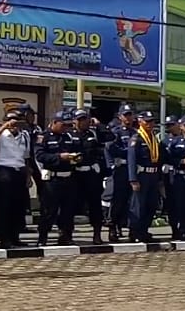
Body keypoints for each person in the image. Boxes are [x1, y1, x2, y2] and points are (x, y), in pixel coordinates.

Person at [32, 112, 80, 246]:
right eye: (63, 125)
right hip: (52, 179)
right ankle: (43, 237)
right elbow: (40, 155)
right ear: (54, 122)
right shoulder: (44, 137)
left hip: (68, 177)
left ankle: (65, 235)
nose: (66, 127)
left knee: (68, 210)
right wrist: (59, 157)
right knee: (48, 210)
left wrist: (75, 157)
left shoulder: (69, 137)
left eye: (68, 125)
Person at [0, 111, 31, 248]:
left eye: (16, 121)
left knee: (18, 207)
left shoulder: (24, 135)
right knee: (4, 207)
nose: (13, 123)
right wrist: (3, 127)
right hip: (4, 170)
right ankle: (4, 239)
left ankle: (15, 237)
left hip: (19, 171)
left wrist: (28, 177)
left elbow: (26, 158)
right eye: (10, 120)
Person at [72, 109, 111, 245]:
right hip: (75, 173)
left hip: (91, 173)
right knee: (70, 206)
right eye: (80, 119)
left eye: (86, 119)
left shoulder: (94, 133)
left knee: (95, 206)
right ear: (74, 121)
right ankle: (66, 234)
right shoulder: (69, 134)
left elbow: (110, 137)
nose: (84, 122)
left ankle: (97, 235)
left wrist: (99, 125)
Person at [127, 111, 163, 243]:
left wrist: (159, 178)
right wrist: (133, 179)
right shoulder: (136, 138)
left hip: (153, 175)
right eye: (147, 121)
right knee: (138, 206)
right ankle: (134, 232)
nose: (150, 124)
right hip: (141, 175)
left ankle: (144, 230)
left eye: (152, 121)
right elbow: (132, 159)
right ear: (140, 122)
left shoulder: (154, 138)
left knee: (151, 204)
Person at [106, 104, 137, 242]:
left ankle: (131, 228)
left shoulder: (136, 133)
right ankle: (112, 227)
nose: (128, 117)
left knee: (131, 201)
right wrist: (111, 166)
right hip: (120, 169)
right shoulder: (115, 132)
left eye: (130, 114)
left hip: (133, 170)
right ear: (120, 117)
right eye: (125, 115)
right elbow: (110, 148)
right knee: (117, 201)